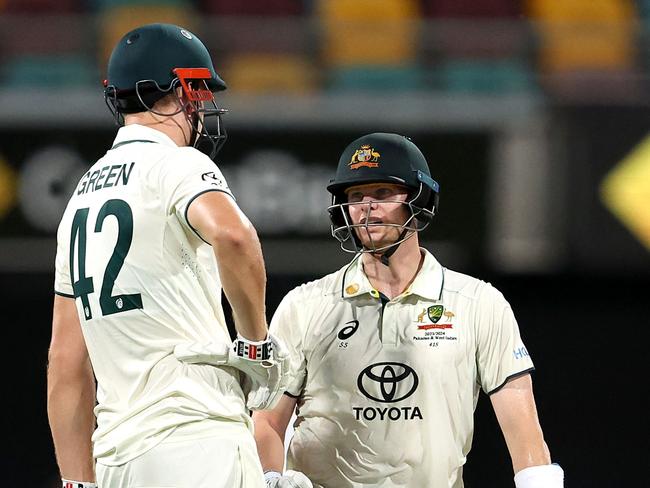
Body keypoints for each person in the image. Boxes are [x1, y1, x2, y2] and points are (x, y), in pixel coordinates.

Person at [47, 23, 286, 488]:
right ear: (176, 90)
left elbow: (65, 362)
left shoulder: (78, 199)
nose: (200, 106)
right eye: (197, 92)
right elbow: (234, 237)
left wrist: (78, 481)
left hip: (116, 457)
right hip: (195, 440)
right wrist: (255, 343)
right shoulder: (178, 163)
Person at [253, 133, 564, 488]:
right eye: (355, 196)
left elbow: (524, 432)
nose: (367, 207)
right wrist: (270, 478)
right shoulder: (305, 306)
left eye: (383, 194)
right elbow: (267, 420)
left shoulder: (478, 304)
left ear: (420, 199)